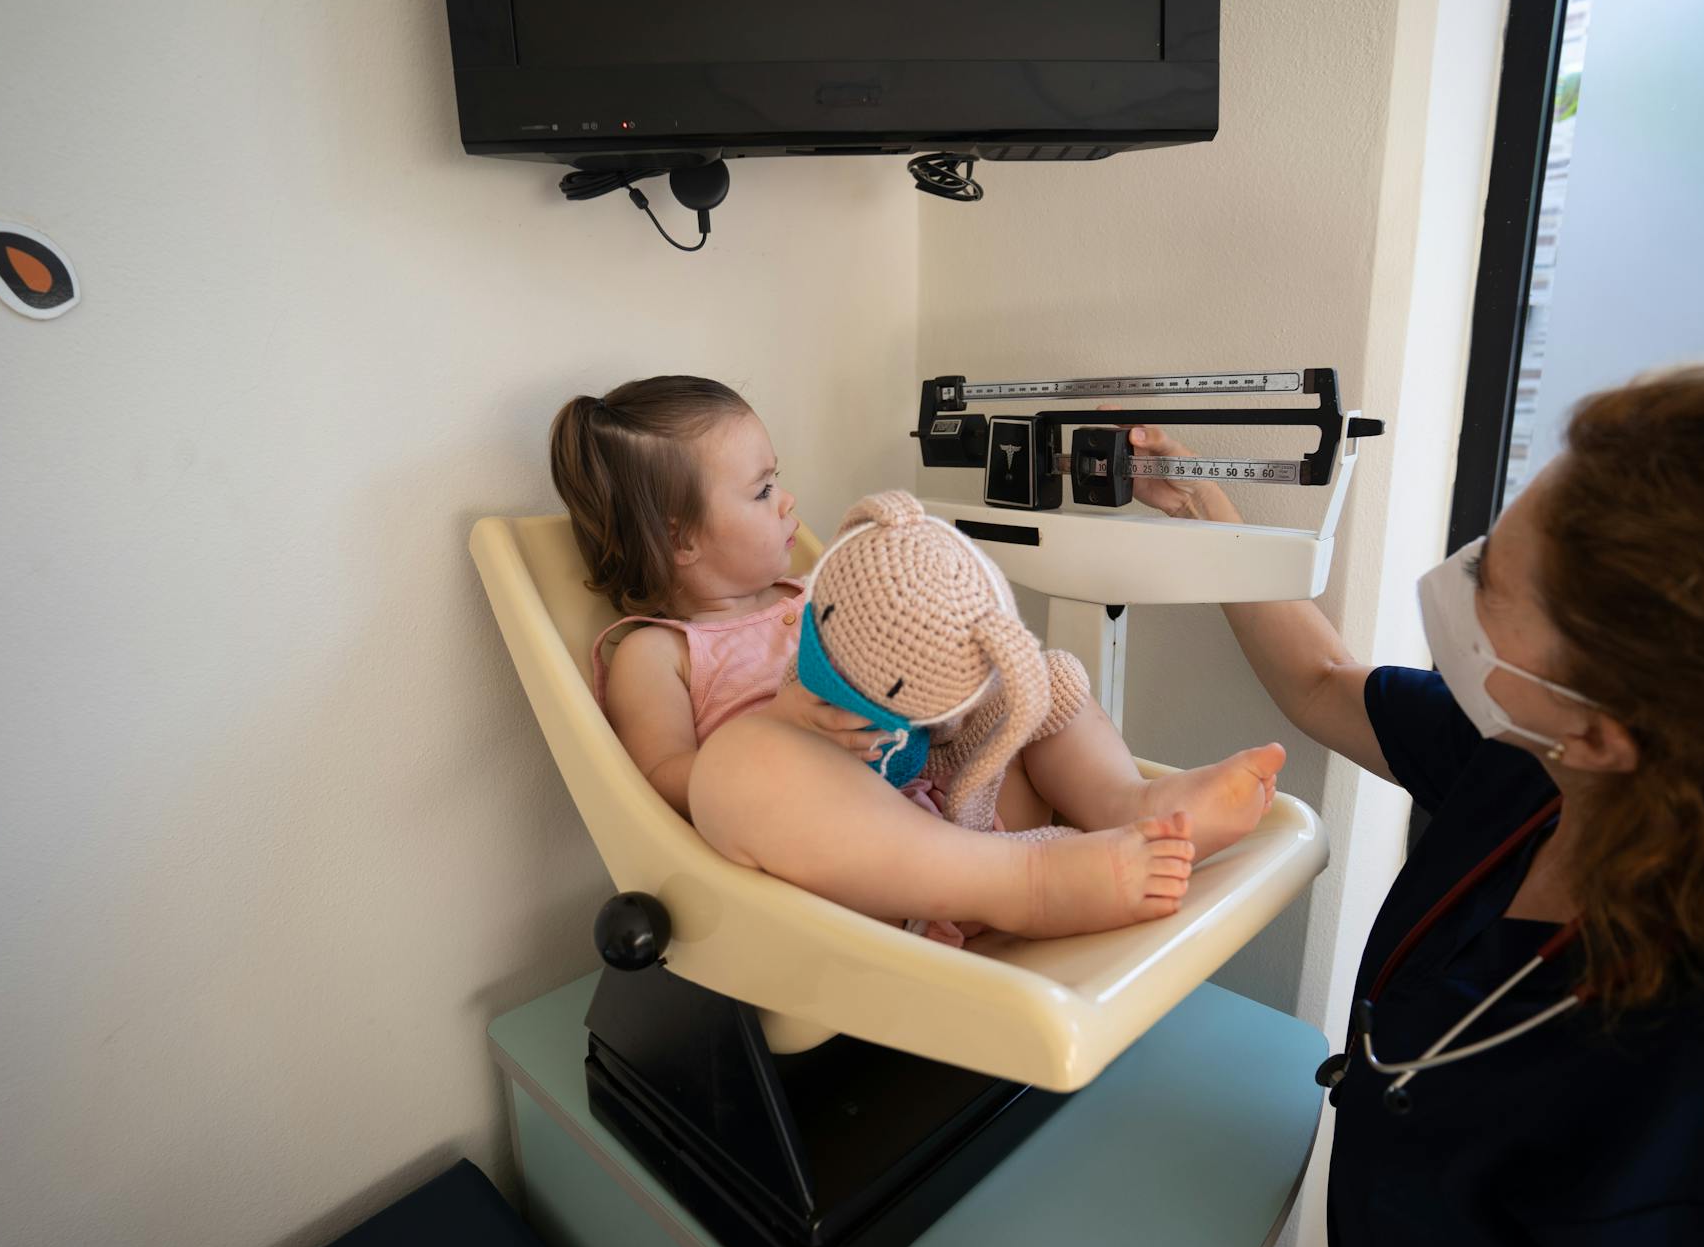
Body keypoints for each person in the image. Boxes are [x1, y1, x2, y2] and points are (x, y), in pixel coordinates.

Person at [1118, 364, 1704, 1247]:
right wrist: (1207, 505)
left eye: (1492, 582)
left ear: (1605, 731)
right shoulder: (1535, 759)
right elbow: (1322, 686)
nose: (1456, 578)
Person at [549, 374, 1287, 940]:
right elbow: (661, 786)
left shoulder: (815, 587)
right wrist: (781, 723)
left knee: (1033, 677)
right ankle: (1031, 882)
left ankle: (1132, 806)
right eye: (763, 488)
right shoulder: (657, 651)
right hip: (855, 869)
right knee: (736, 771)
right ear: (680, 539)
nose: (787, 500)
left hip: (951, 800)